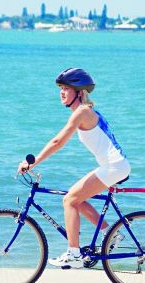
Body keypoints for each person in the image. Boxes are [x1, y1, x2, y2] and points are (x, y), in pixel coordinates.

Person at [17, 68, 131, 268]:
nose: (61, 92)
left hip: (114, 167)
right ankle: (110, 233)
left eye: (66, 89)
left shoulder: (82, 112)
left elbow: (58, 142)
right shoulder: (86, 111)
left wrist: (32, 163)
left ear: (79, 92)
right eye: (60, 88)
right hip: (114, 166)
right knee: (75, 198)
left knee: (69, 200)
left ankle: (74, 253)